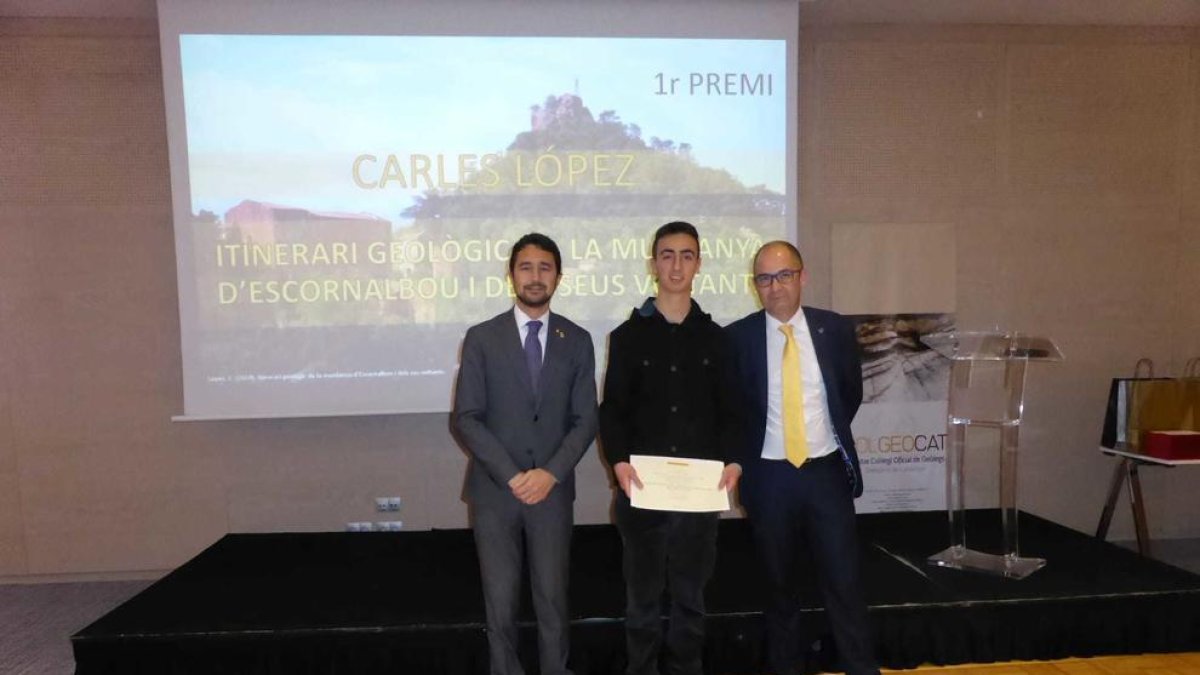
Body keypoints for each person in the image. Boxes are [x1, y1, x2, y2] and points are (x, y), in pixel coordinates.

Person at [725, 241, 878, 675]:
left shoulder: (834, 330)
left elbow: (849, 394)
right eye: (764, 279)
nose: (775, 288)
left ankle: (861, 668)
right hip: (768, 476)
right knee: (778, 587)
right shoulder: (737, 338)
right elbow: (734, 409)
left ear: (802, 276)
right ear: (755, 285)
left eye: (784, 275)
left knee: (844, 582)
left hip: (824, 473)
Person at [599, 221, 742, 675]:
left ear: (698, 263)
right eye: (667, 254)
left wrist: (735, 461)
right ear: (653, 263)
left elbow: (732, 411)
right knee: (640, 604)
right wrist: (618, 462)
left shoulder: (718, 340)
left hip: (698, 498)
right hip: (642, 493)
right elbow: (613, 410)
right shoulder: (626, 337)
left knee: (690, 603)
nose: (676, 264)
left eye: (686, 255)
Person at [452, 233, 599, 675]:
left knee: (552, 599)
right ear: (511, 273)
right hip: (496, 492)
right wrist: (514, 475)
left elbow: (586, 420)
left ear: (558, 275)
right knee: (499, 602)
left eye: (545, 267)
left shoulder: (576, 338)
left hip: (551, 492)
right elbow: (467, 417)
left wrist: (549, 474)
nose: (535, 277)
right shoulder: (481, 337)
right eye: (526, 267)